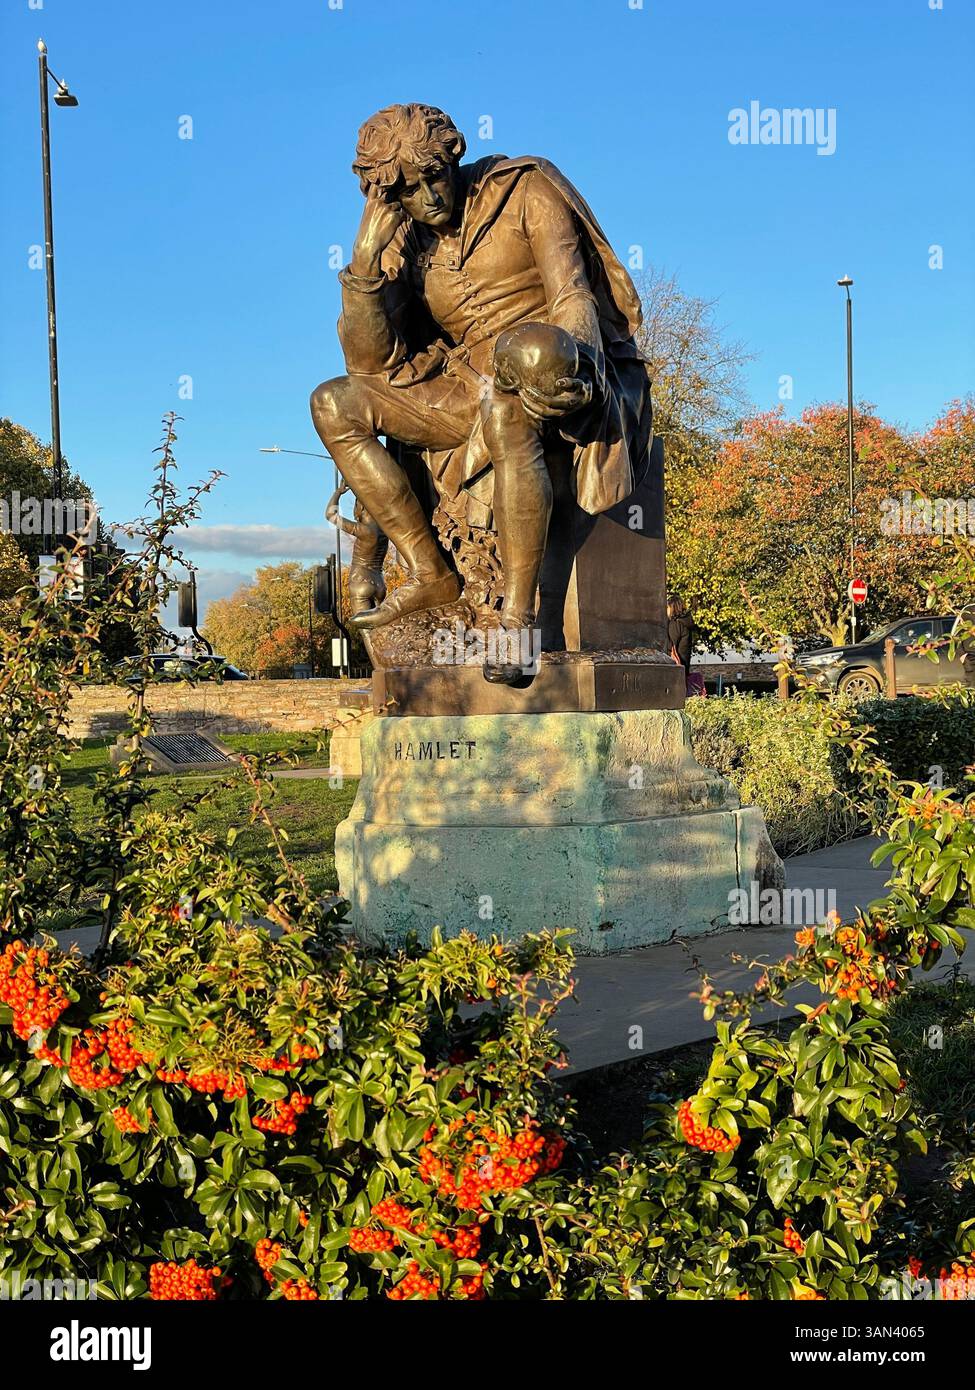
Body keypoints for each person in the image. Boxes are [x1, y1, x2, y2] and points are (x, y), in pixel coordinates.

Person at [310, 103, 652, 683]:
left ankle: (518, 622)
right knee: (333, 402)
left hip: (555, 361)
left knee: (510, 392)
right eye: (409, 190)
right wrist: (364, 264)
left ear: (454, 158)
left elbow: (572, 293)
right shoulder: (402, 239)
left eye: (435, 176)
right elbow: (368, 364)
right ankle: (430, 572)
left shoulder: (524, 188)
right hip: (466, 381)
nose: (429, 198)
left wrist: (576, 368)